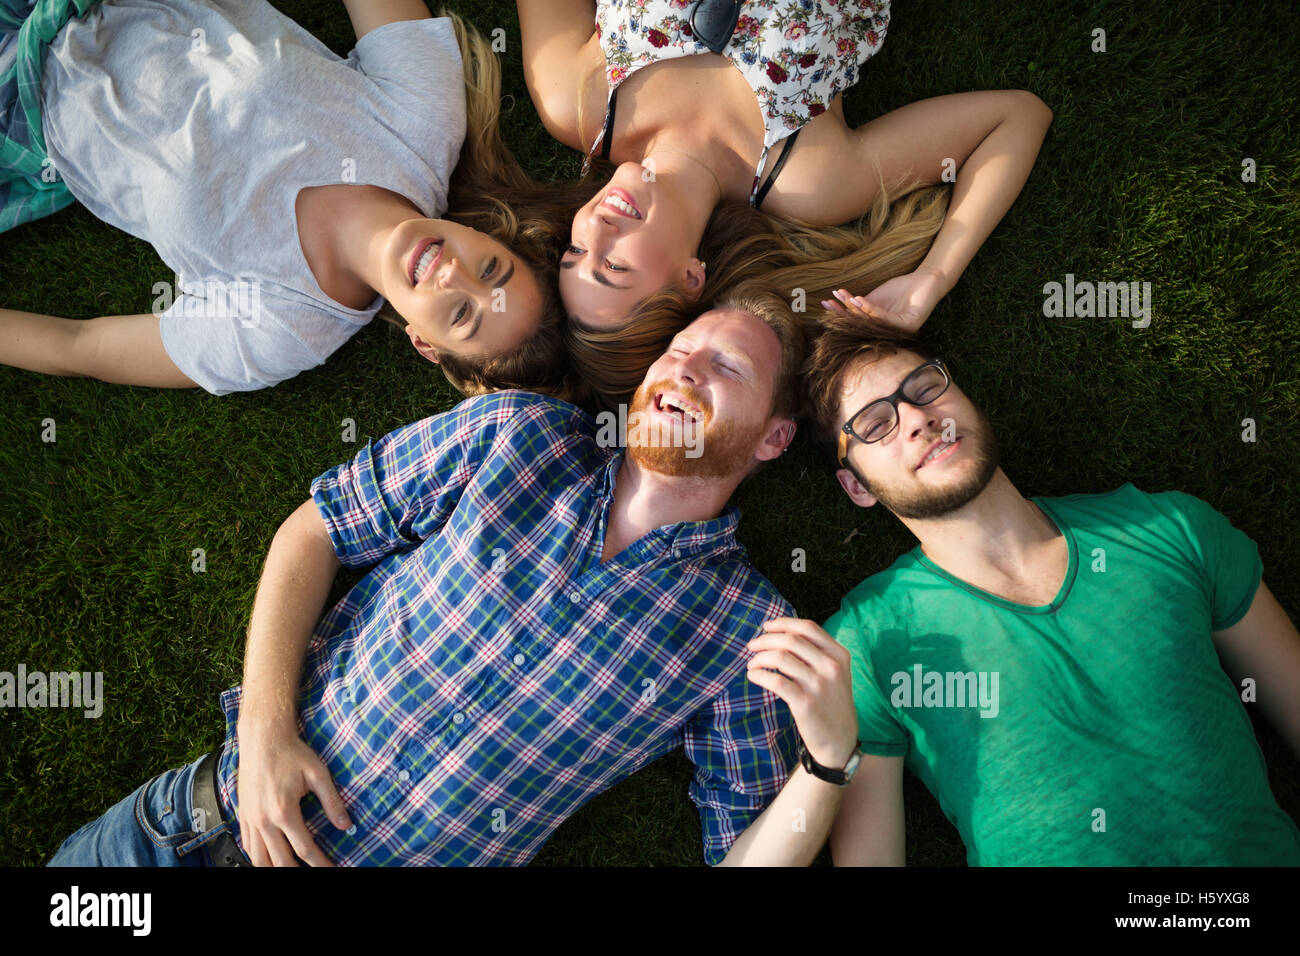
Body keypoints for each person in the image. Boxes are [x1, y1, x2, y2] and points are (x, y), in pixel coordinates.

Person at [47, 291, 824, 867]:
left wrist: (829, 758)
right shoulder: (518, 435)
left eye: (725, 367)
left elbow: (743, 853)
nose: (683, 369)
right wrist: (265, 726)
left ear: (774, 436)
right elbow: (316, 529)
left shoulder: (746, 633)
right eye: (678, 349)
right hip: (196, 830)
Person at [725, 311, 1300, 865]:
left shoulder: (1171, 530)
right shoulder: (864, 645)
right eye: (876, 424)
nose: (917, 418)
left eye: (924, 388)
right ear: (856, 487)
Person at [0, 0, 572, 399]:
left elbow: (83, 347)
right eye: (490, 268)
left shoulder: (281, 328)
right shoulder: (424, 121)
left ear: (424, 343)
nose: (453, 274)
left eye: (462, 315)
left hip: (22, 110)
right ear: (488, 234)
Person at [515, 0, 1052, 402]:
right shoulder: (810, 179)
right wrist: (931, 279)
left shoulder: (577, 102)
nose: (597, 228)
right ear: (690, 277)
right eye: (613, 265)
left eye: (575, 251)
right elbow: (1017, 117)